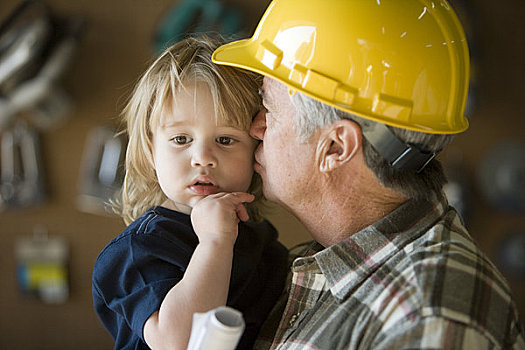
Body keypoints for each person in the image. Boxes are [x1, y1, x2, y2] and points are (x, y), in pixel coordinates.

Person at [212, 0, 525, 349]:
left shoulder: (427, 318)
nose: (256, 128)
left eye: (269, 109)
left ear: (335, 147)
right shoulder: (323, 270)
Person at [92, 35, 288, 350]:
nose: (202, 157)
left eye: (225, 140)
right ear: (149, 152)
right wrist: (214, 243)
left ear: (257, 151)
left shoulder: (260, 240)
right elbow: (176, 343)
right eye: (181, 139)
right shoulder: (138, 250)